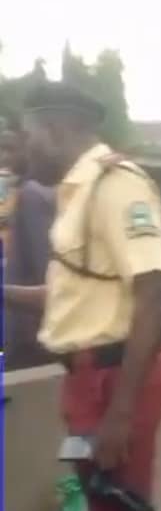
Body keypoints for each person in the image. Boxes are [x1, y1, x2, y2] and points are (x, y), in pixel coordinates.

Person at [4, 81, 161, 511]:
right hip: (91, 375)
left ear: (56, 130)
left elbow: (154, 291)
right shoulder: (77, 193)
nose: (16, 150)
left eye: (24, 137)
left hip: (118, 376)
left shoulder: (116, 186)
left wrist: (120, 414)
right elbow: (67, 296)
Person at [1, 124, 55, 369]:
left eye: (10, 149)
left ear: (26, 150)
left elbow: (43, 266)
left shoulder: (32, 195)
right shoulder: (17, 193)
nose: (3, 157)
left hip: (26, 327)